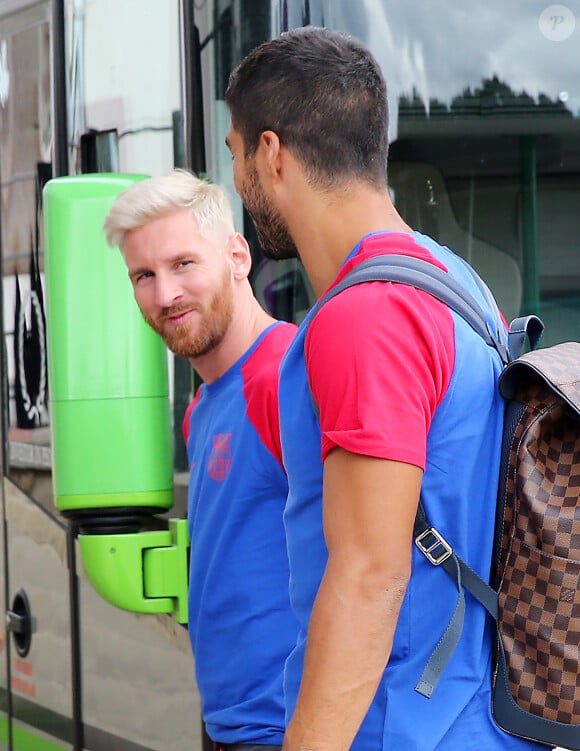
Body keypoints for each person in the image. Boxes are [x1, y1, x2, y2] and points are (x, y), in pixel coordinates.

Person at [224, 26, 545, 751]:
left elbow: (369, 573)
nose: (240, 180)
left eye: (236, 153)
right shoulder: (456, 281)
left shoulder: (367, 314)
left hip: (405, 726)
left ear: (271, 154)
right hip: (480, 716)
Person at [103, 170, 297, 751]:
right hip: (229, 726)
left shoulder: (288, 377)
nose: (165, 295)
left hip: (292, 729)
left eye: (183, 264)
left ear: (237, 255)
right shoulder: (202, 409)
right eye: (144, 275)